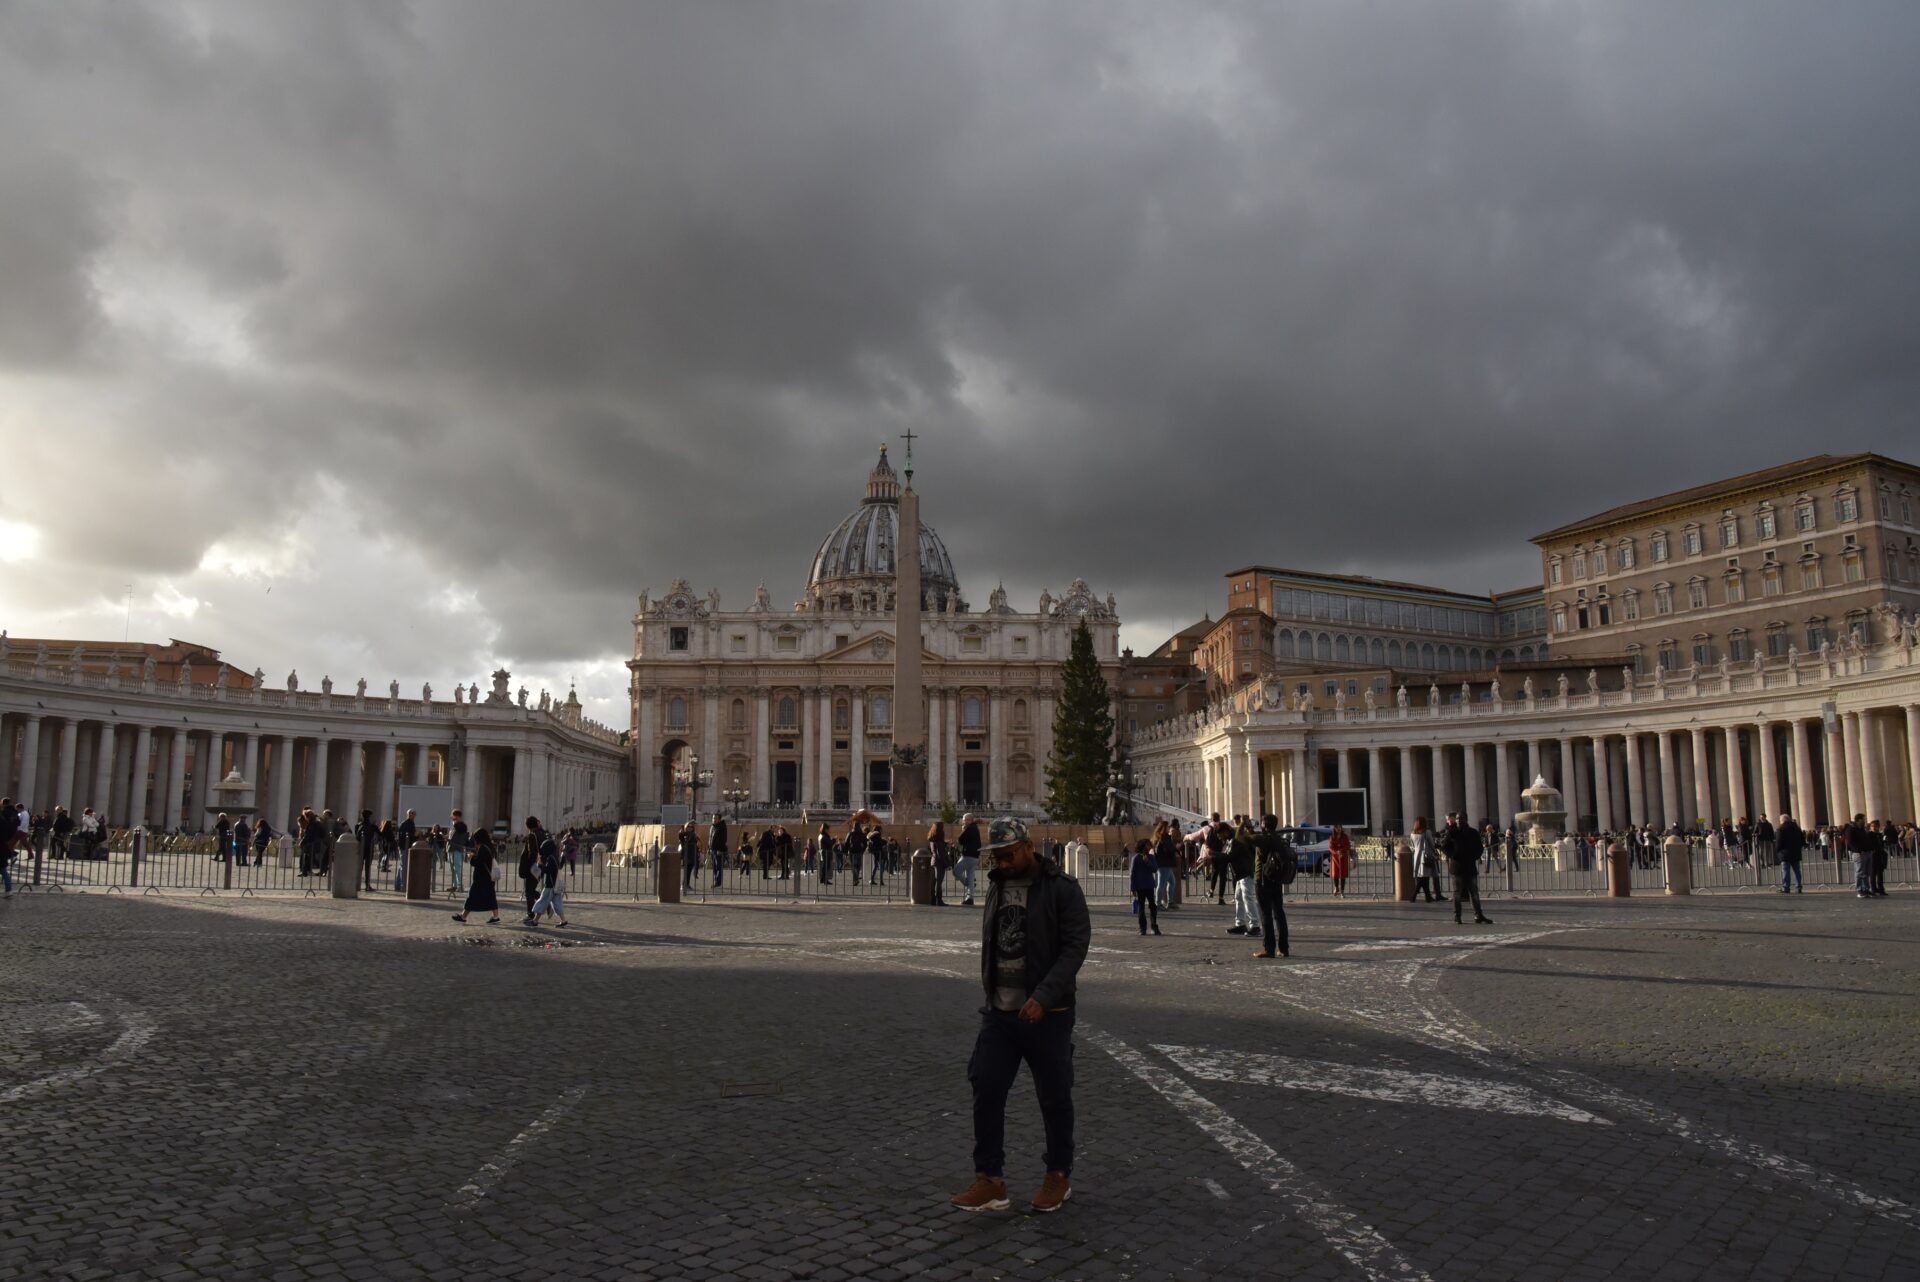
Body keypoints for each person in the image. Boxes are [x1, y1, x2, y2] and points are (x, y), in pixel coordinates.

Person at [950, 819, 1089, 1216]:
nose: (1004, 862)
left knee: (1054, 1095)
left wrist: (1044, 996)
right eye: (998, 856)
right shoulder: (997, 885)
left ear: (1029, 847)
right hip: (1000, 1011)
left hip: (1048, 1014)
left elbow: (1075, 947)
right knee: (986, 1088)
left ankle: (1058, 1174)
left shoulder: (1062, 888)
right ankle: (989, 1180)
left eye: (1009, 854)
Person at [1249, 815, 1295, 958]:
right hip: (1276, 879)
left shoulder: (1264, 838)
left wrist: (1245, 826)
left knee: (1266, 915)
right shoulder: (1279, 839)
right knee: (1279, 914)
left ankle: (1269, 948)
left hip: (1263, 880)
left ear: (1264, 824)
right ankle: (1283, 948)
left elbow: (1244, 838)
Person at [1439, 812, 1491, 924]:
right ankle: (1457, 916)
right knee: (1457, 893)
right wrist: (1453, 855)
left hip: (1469, 866)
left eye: (1461, 819)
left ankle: (1478, 915)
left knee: (1474, 893)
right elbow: (1444, 846)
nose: (1458, 821)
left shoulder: (1473, 832)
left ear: (1466, 820)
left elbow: (1479, 848)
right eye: (1457, 819)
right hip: (1457, 867)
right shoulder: (1452, 833)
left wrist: (1473, 856)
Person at [451, 828, 502, 924]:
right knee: (490, 896)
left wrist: (472, 857)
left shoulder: (483, 848)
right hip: (488, 877)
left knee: (472, 896)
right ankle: (495, 916)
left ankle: (463, 916)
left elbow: (478, 862)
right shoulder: (490, 847)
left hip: (481, 877)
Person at [526, 819, 569, 928]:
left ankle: (535, 921)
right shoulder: (555, 857)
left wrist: (540, 865)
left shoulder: (550, 859)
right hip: (556, 886)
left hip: (550, 885)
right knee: (557, 903)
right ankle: (563, 920)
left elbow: (547, 871)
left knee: (542, 901)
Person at [1226, 818, 1258, 935]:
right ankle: (1240, 924)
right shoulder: (1246, 841)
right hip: (1242, 874)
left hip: (1246, 872)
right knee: (1239, 897)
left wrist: (1245, 824)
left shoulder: (1245, 842)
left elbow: (1239, 834)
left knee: (1248, 898)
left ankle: (1255, 925)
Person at [1128, 839, 1161, 936]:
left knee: (1153, 906)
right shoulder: (1136, 858)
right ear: (1142, 846)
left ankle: (1154, 926)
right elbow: (1132, 874)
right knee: (1141, 907)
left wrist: (1147, 862)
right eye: (1147, 845)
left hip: (1149, 885)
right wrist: (1132, 888)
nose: (1149, 847)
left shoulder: (1151, 857)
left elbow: (1155, 869)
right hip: (1140, 886)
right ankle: (1143, 928)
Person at [1844, 813, 1876, 898]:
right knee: (1860, 872)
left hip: (1867, 852)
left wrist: (1870, 849)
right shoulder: (1851, 829)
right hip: (1859, 853)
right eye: (1863, 819)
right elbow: (1851, 842)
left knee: (1866, 872)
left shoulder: (1861, 829)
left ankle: (1866, 889)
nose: (1865, 821)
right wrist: (1858, 850)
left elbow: (1866, 840)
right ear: (1859, 820)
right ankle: (1860, 890)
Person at [1408, 818, 1439, 902]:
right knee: (1423, 878)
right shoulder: (1427, 832)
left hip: (1417, 856)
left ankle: (1428, 897)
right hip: (1426, 856)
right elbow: (1432, 844)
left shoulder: (1412, 834)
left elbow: (1412, 845)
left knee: (1423, 877)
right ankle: (1413, 896)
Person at [956, 814, 982, 905]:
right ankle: (970, 898)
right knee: (970, 876)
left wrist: (963, 830)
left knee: (956, 871)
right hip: (975, 856)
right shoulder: (975, 828)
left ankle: (968, 883)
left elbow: (960, 839)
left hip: (968, 855)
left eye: (966, 820)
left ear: (970, 820)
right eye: (963, 820)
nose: (964, 822)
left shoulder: (969, 828)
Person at [1776, 812, 1805, 893]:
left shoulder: (1781, 829)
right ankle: (1798, 887)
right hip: (1796, 852)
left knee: (1786, 871)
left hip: (1785, 853)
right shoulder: (1797, 828)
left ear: (1782, 820)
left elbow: (1778, 841)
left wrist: (1777, 850)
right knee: (1797, 871)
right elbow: (1803, 840)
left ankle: (1786, 887)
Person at [518, 822, 543, 916]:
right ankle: (546, 903)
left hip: (532, 869)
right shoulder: (539, 834)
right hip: (537, 867)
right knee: (530, 890)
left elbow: (532, 853)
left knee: (529, 892)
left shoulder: (532, 836)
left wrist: (530, 865)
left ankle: (530, 914)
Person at [1327, 824, 1354, 896]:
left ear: (1341, 828)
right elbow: (1330, 847)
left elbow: (1347, 845)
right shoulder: (1332, 837)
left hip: (1343, 857)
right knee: (1335, 874)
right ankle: (1336, 887)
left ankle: (1342, 891)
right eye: (1336, 827)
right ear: (1334, 828)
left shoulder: (1345, 836)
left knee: (1343, 875)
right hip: (1335, 858)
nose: (1338, 829)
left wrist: (1341, 851)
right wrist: (1336, 852)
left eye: (1339, 827)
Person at [929, 821, 951, 905]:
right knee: (939, 881)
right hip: (939, 862)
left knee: (935, 881)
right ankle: (939, 900)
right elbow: (940, 854)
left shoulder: (933, 838)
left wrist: (944, 844)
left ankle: (933, 899)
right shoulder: (938, 840)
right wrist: (946, 863)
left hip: (934, 861)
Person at [448, 809, 470, 893]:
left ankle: (460, 885)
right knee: (452, 868)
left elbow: (460, 831)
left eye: (454, 816)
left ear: (457, 816)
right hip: (451, 848)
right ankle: (454, 885)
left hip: (457, 849)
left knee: (457, 867)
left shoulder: (462, 825)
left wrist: (455, 822)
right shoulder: (454, 825)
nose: (452, 818)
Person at [678, 822, 700, 890]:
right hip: (686, 855)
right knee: (686, 871)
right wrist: (681, 831)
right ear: (686, 827)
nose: (690, 828)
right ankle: (684, 885)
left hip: (692, 855)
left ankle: (687, 884)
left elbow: (697, 844)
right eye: (688, 827)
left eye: (691, 827)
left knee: (689, 871)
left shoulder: (693, 834)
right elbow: (680, 836)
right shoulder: (684, 834)